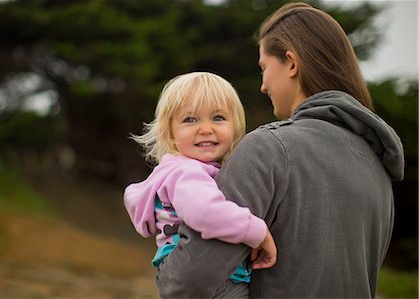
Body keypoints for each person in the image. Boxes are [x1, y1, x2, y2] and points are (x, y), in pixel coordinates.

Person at [156, 3, 404, 299]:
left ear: (290, 62)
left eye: (264, 68)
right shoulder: (378, 167)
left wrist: (166, 260)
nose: (262, 85)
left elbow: (186, 283)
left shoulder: (269, 149)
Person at [123, 72, 277, 298]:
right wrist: (258, 232)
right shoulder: (187, 172)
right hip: (213, 283)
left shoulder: (182, 170)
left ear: (235, 127)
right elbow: (205, 212)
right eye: (190, 120)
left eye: (217, 118)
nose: (206, 129)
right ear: (170, 133)